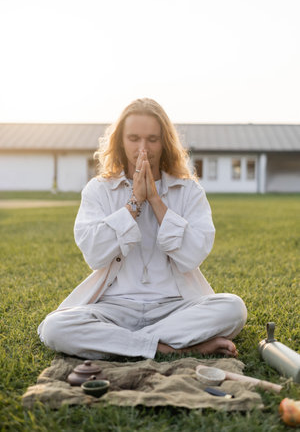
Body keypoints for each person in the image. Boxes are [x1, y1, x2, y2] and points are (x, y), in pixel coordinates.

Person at [38, 98, 247, 360]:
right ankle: (169, 348)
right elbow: (95, 255)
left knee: (233, 309)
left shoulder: (189, 191)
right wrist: (134, 203)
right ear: (120, 142)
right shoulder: (98, 190)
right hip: (115, 307)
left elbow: (192, 256)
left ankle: (127, 345)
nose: (142, 148)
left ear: (165, 143)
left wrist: (156, 201)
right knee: (56, 328)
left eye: (152, 139)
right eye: (134, 138)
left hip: (175, 307)